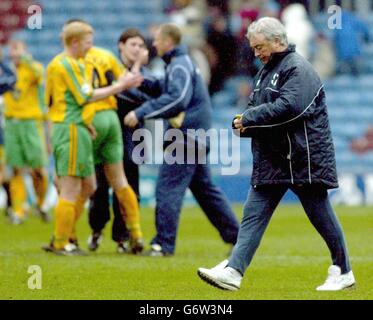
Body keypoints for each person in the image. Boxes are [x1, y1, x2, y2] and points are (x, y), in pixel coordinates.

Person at [197, 17, 355, 291]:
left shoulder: (298, 69)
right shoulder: (264, 73)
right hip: (273, 160)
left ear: (278, 41)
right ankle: (234, 270)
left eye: (260, 47)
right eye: (254, 48)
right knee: (252, 216)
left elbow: (290, 108)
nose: (256, 53)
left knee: (321, 216)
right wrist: (244, 126)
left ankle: (343, 270)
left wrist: (248, 118)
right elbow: (256, 111)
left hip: (301, 159)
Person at [124, 23, 239, 256]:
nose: (153, 44)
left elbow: (177, 99)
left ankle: (162, 244)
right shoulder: (179, 65)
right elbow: (166, 89)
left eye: (156, 40)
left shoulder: (180, 66)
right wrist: (143, 82)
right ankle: (238, 238)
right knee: (206, 191)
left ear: (168, 42)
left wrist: (141, 112)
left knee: (167, 189)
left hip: (186, 137)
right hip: (193, 136)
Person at [42, 21, 142, 255]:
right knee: (73, 187)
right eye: (87, 42)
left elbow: (54, 100)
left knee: (90, 185)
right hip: (74, 126)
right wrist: (121, 85)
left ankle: (65, 237)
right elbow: (85, 96)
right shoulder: (67, 64)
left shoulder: (69, 63)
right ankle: (62, 241)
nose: (91, 47)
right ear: (74, 41)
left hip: (84, 124)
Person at [88, 28, 153, 254]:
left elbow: (144, 99)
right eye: (133, 44)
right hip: (106, 132)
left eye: (141, 45)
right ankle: (96, 228)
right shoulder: (109, 69)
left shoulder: (146, 75)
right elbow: (113, 93)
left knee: (128, 185)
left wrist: (134, 74)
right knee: (100, 186)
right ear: (121, 46)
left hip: (133, 135)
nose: (137, 49)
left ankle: (123, 236)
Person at [2, 40, 50, 224]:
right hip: (11, 123)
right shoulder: (6, 71)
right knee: (15, 169)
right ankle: (19, 209)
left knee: (37, 169)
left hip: (31, 123)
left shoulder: (33, 68)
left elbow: (40, 75)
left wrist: (27, 61)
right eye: (12, 49)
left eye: (18, 49)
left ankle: (41, 203)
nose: (14, 53)